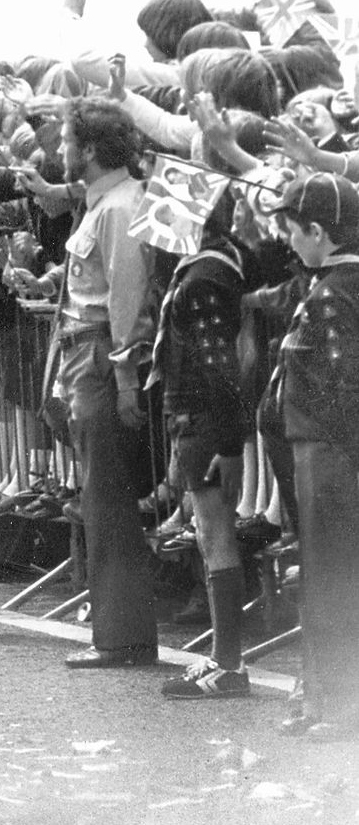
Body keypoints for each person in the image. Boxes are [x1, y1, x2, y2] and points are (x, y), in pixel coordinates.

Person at [55, 96, 158, 669]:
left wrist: (123, 378)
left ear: (90, 149)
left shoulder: (119, 208)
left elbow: (125, 300)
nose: (61, 151)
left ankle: (122, 636)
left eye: (69, 141)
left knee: (108, 496)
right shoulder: (105, 203)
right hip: (87, 353)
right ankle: (118, 633)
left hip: (100, 356)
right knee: (99, 493)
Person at [149, 160, 254, 697]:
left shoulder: (206, 278)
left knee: (216, 537)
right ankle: (222, 657)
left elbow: (221, 371)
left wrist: (231, 447)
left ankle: (229, 664)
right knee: (211, 535)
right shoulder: (203, 269)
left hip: (206, 423)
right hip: (191, 420)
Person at [266, 173, 359, 737]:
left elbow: (344, 385)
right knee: (321, 577)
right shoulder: (330, 282)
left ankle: (343, 707)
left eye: (294, 230)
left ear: (319, 232)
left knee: (336, 578)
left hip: (331, 453)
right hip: (313, 451)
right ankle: (322, 698)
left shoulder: (341, 291)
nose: (288, 242)